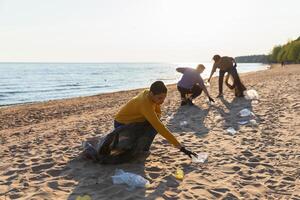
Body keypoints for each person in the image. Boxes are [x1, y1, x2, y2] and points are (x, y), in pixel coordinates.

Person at [83, 81, 197, 164]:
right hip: (122, 124)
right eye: (159, 98)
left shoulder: (149, 94)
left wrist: (156, 112)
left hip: (136, 121)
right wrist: (181, 148)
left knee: (151, 125)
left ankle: (142, 148)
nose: (162, 101)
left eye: (164, 98)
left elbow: (157, 113)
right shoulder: (145, 104)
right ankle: (133, 147)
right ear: (152, 94)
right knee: (151, 128)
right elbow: (160, 127)